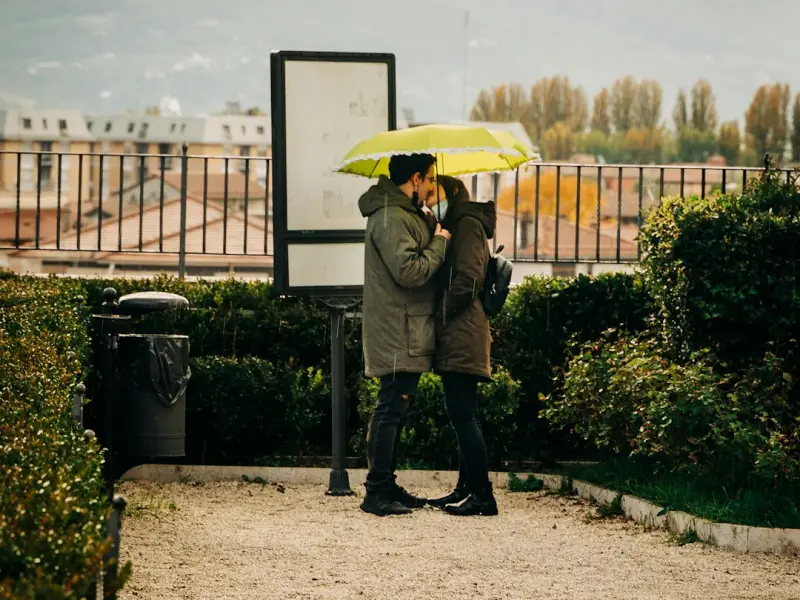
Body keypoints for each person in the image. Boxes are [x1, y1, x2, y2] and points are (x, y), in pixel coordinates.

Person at [358, 153, 451, 516]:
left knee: (395, 406)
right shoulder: (391, 217)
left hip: (405, 325)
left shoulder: (401, 214)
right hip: (398, 327)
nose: (431, 188)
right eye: (429, 181)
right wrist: (440, 240)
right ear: (415, 178)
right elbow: (409, 271)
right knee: (390, 407)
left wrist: (428, 223)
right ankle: (377, 490)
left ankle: (385, 483)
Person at [426, 175, 499, 516]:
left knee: (463, 415)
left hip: (464, 329)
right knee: (462, 414)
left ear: (452, 193)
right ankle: (466, 488)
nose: (428, 201)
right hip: (461, 330)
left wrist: (439, 316)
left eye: (432, 194)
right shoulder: (456, 223)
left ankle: (483, 496)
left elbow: (469, 279)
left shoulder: (467, 224)